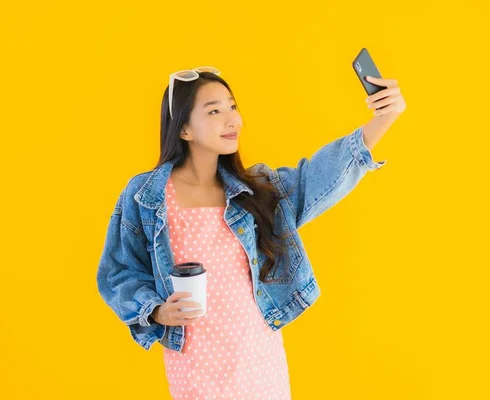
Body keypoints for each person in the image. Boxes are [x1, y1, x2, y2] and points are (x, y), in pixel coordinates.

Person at [97, 66, 406, 399]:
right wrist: (156, 310)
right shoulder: (146, 196)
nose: (232, 120)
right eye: (214, 111)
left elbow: (318, 176)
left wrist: (383, 119)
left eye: (232, 106)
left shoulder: (256, 192)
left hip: (260, 362)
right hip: (195, 366)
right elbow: (118, 273)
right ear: (184, 129)